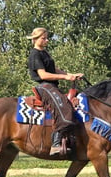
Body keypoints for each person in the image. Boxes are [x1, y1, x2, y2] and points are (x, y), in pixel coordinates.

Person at [27, 27, 83, 155]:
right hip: (44, 86)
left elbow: (54, 69)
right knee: (65, 108)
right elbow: (43, 75)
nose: (46, 40)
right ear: (35, 39)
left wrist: (71, 75)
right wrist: (65, 77)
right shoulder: (35, 54)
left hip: (52, 86)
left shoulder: (44, 52)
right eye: (43, 38)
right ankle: (56, 143)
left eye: (47, 38)